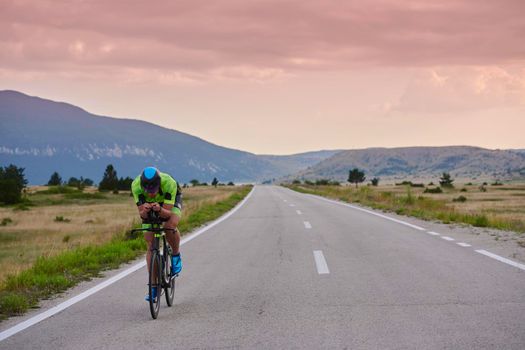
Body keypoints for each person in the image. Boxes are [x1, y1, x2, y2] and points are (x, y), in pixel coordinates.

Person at [131, 166, 183, 301]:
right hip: (152, 206)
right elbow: (142, 215)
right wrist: (146, 211)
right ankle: (154, 287)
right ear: (143, 187)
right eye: (148, 191)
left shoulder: (169, 183)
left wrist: (159, 209)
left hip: (168, 203)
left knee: (169, 226)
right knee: (150, 243)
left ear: (159, 184)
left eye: (153, 190)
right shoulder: (136, 186)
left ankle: (176, 255)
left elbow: (167, 214)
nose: (152, 194)